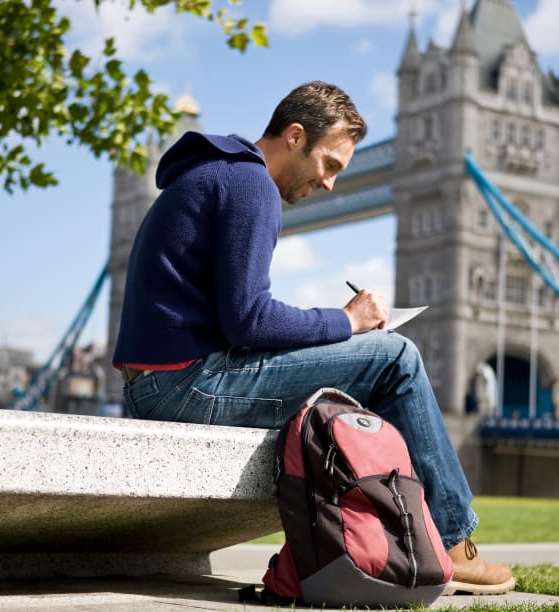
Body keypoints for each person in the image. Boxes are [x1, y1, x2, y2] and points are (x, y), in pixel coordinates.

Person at [113, 81, 514, 596]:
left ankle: (394, 538)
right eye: (330, 165)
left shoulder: (217, 172)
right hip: (187, 385)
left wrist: (336, 337)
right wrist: (347, 322)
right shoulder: (251, 185)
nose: (329, 185)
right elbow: (250, 321)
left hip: (163, 381)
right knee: (396, 358)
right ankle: (453, 541)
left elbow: (239, 322)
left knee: (373, 362)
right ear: (295, 136)